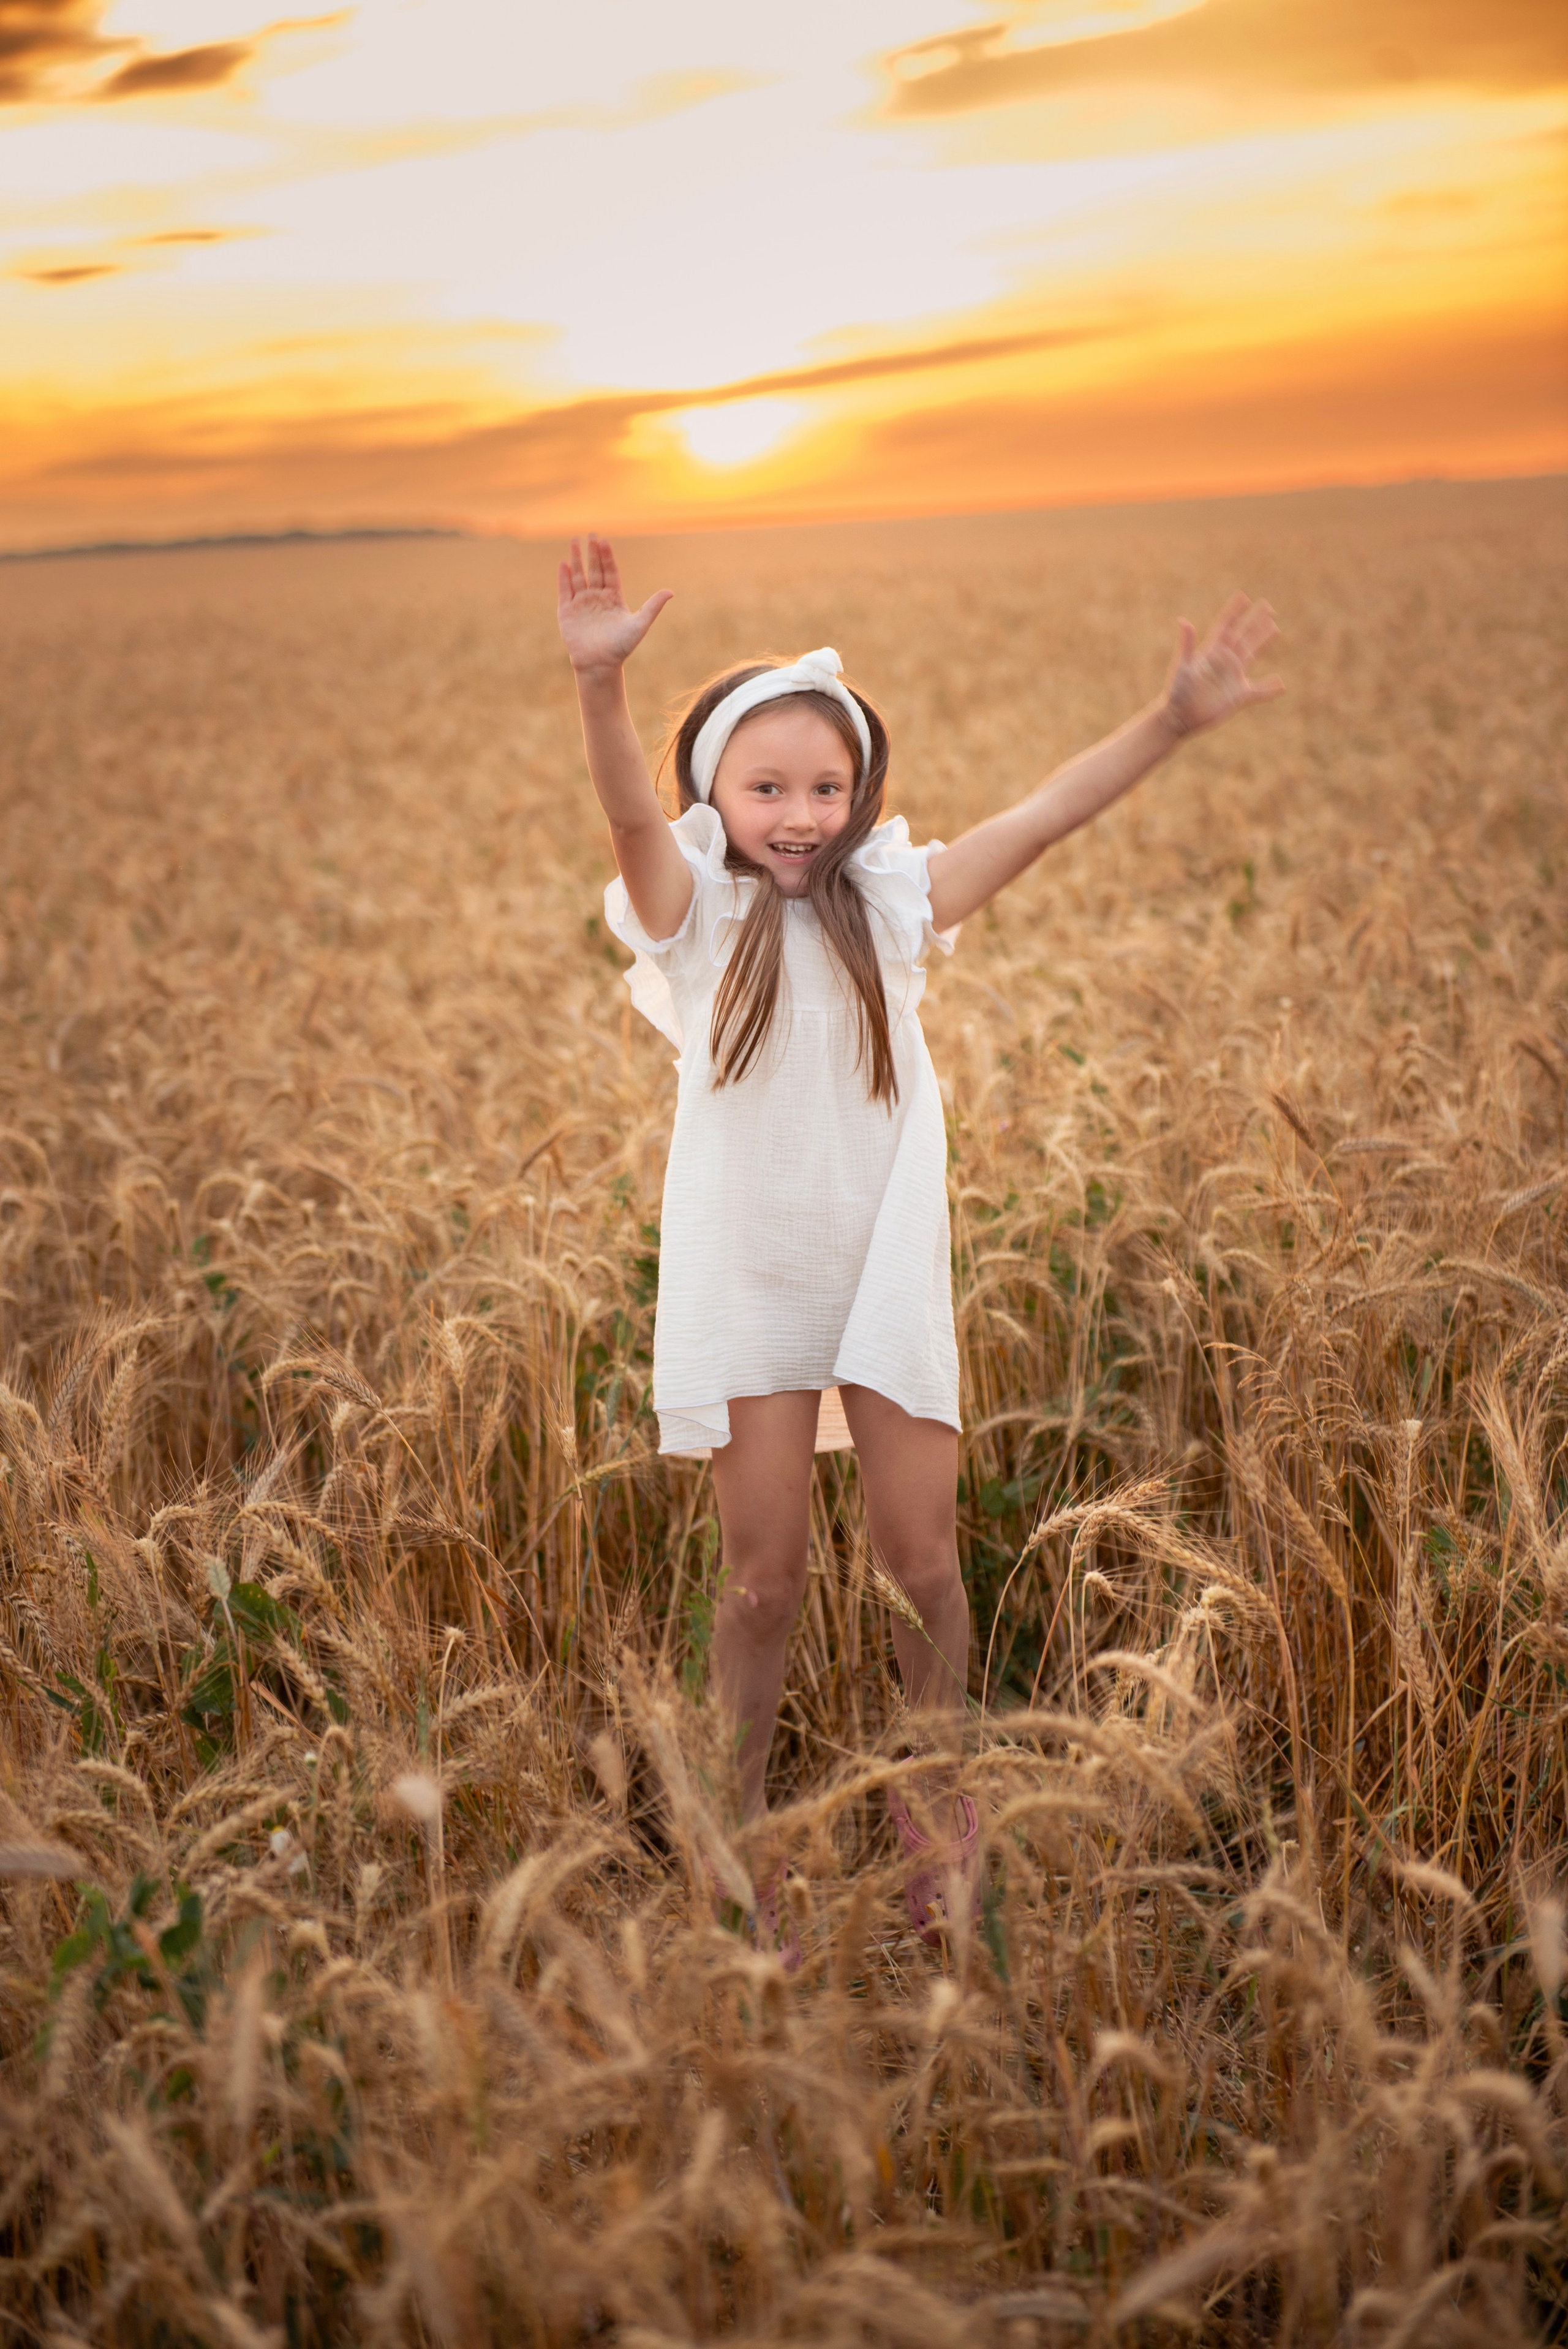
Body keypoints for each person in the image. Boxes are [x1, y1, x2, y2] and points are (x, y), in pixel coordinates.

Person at [557, 533, 1281, 1945]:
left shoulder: (893, 910)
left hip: (878, 1267)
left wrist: (1168, 720)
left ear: (859, 795)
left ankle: (934, 1822)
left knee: (920, 1563)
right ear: (716, 789)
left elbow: (1042, 816)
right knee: (761, 1580)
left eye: (826, 787)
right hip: (749, 1278)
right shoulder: (692, 919)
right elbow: (632, 828)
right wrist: (600, 693)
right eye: (766, 787)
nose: (800, 812)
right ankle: (738, 1837)